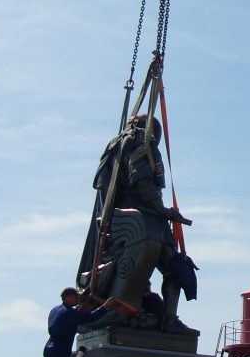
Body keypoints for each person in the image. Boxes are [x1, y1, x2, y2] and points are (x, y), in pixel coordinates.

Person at [77, 114, 197, 333]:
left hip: (127, 219)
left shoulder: (114, 147)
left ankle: (168, 319)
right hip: (140, 219)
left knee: (177, 266)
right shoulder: (140, 140)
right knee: (174, 266)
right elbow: (141, 177)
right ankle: (131, 310)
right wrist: (162, 210)